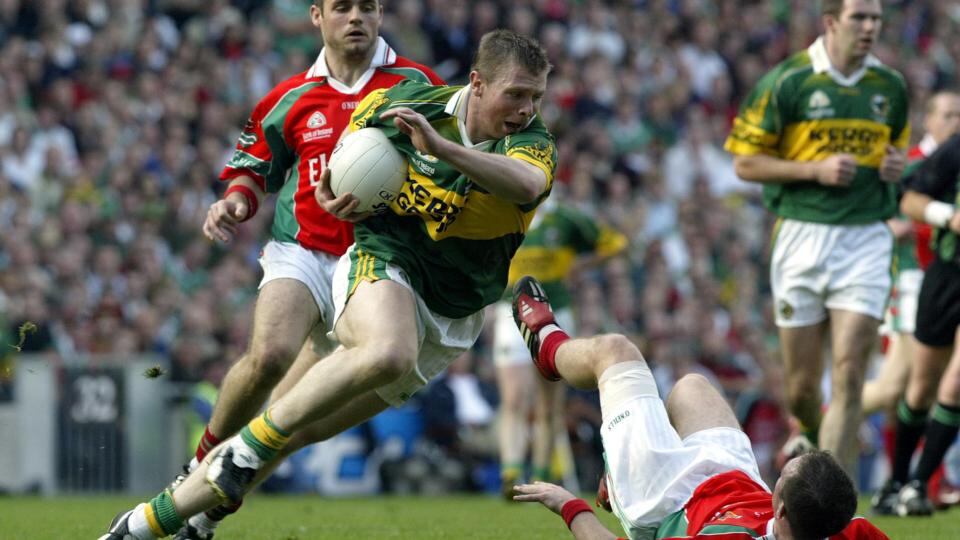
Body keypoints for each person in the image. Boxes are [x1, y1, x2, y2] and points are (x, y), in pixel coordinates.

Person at [100, 29, 555, 539]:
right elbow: (344, 160)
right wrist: (333, 186)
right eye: (515, 93)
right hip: (386, 262)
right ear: (477, 82)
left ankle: (149, 524)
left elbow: (526, 185)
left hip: (453, 315)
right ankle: (246, 446)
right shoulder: (405, 103)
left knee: (297, 430)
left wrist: (442, 150)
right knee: (385, 352)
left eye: (536, 96)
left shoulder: (531, 143)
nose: (526, 108)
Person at [167, 1, 444, 537]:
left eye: (368, 6)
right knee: (268, 356)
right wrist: (235, 203)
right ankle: (199, 465)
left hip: (376, 266)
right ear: (317, 16)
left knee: (288, 422)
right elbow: (252, 170)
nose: (356, 17)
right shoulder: (289, 97)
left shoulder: (417, 85)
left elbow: (449, 166)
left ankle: (204, 514)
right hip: (305, 251)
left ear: (382, 14)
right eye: (343, 7)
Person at [509, 276, 889, 540]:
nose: (779, 468)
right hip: (728, 475)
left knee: (615, 351)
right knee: (691, 385)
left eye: (784, 476)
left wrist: (569, 506)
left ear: (782, 510)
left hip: (664, 499)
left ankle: (548, 346)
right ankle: (620, 461)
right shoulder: (852, 531)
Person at [723, 0, 909, 476]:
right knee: (803, 388)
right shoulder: (788, 80)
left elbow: (896, 153)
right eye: (859, 18)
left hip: (866, 237)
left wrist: (895, 166)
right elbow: (745, 162)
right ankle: (805, 425)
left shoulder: (889, 86)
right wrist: (814, 169)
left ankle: (831, 506)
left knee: (848, 372)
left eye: (876, 19)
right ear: (831, 22)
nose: (869, 27)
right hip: (802, 238)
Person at [865, 90, 960, 514]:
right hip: (939, 276)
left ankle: (920, 483)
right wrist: (950, 218)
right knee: (914, 386)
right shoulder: (947, 153)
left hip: (930, 277)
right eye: (947, 113)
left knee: (955, 384)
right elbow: (908, 200)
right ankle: (899, 480)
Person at [494, 199, 626, 495]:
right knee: (514, 396)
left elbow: (614, 243)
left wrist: (577, 267)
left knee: (548, 401)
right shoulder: (502, 210)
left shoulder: (565, 218)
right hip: (510, 310)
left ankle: (540, 475)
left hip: (556, 313)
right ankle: (511, 473)